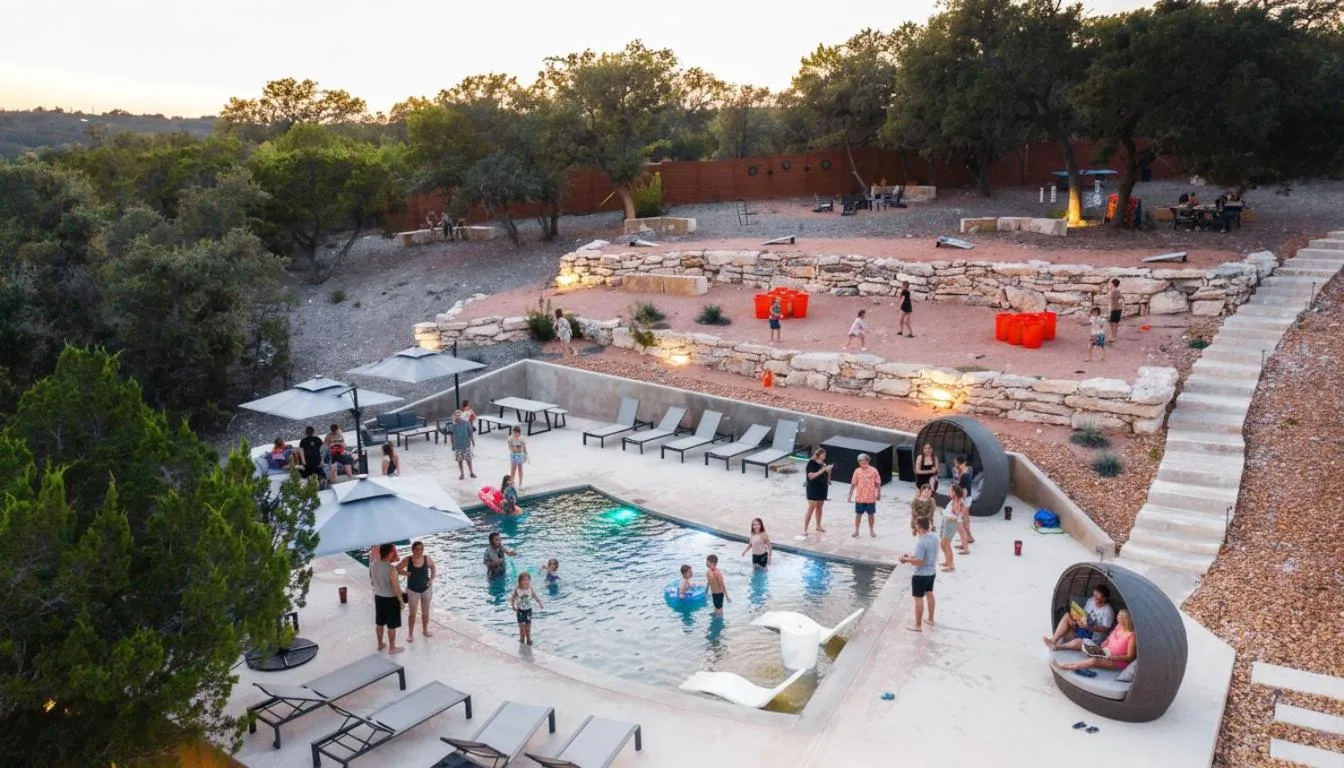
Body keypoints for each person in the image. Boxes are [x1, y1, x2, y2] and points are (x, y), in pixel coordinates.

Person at [1054, 610, 1136, 672]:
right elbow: (1111, 636)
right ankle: (1058, 646)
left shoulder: (1132, 636)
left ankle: (1064, 667)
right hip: (1105, 652)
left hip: (1116, 661)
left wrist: (1112, 657)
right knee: (1080, 641)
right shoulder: (1119, 626)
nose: (1118, 621)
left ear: (1126, 621)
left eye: (1120, 619)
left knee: (1093, 661)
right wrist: (1105, 643)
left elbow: (1129, 657)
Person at [1043, 585, 1117, 650]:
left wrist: (1090, 627)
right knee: (1067, 616)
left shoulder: (1108, 611)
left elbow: (1106, 629)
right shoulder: (1091, 600)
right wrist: (1077, 620)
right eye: (1094, 595)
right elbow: (1083, 614)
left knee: (1076, 640)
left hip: (1092, 637)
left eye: (1097, 597)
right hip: (1082, 629)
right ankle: (1052, 641)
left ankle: (1058, 647)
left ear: (1104, 599)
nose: (1094, 599)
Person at [899, 517, 939, 631]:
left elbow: (919, 562)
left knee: (918, 599)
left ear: (919, 527)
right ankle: (931, 619)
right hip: (932, 572)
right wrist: (912, 557)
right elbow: (925, 555)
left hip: (921, 574)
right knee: (930, 593)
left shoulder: (921, 542)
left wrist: (905, 559)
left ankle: (917, 625)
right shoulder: (934, 537)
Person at [370, 543, 406, 654]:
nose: (395, 553)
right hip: (390, 600)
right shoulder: (391, 569)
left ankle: (380, 644)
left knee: (379, 623)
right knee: (391, 625)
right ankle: (392, 648)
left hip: (378, 597)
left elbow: (372, 579)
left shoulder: (373, 563)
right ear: (390, 553)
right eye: (394, 552)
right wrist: (401, 601)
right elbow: (395, 587)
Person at [398, 541, 436, 641]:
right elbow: (397, 569)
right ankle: (410, 634)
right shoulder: (408, 560)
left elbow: (433, 567)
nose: (419, 551)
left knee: (426, 612)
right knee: (412, 614)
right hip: (412, 591)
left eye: (421, 549)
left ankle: (425, 630)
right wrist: (406, 573)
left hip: (426, 589)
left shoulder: (427, 558)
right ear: (413, 550)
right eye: (417, 550)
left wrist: (431, 579)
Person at [847, 453, 882, 538]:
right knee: (858, 514)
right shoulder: (857, 471)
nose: (863, 462)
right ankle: (856, 530)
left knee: (871, 514)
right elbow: (853, 483)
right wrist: (850, 495)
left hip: (870, 497)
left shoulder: (874, 470)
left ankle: (871, 530)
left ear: (868, 461)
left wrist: (879, 494)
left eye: (865, 461)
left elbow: (878, 483)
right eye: (861, 461)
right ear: (859, 462)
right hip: (860, 497)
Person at [804, 448, 833, 535]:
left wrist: (829, 471)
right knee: (811, 508)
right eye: (823, 455)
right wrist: (823, 470)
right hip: (813, 488)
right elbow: (811, 476)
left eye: (825, 455)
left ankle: (818, 526)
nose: (824, 456)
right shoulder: (811, 463)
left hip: (822, 487)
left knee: (820, 507)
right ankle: (805, 529)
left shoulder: (823, 464)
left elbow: (828, 479)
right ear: (818, 455)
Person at [509, 572, 543, 646]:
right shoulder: (517, 588)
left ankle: (528, 639)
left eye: (528, 580)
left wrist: (539, 602)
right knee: (521, 628)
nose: (526, 582)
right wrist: (512, 605)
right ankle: (521, 639)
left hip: (528, 611)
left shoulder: (530, 588)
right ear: (520, 581)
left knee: (528, 627)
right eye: (524, 580)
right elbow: (513, 597)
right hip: (520, 611)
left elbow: (534, 595)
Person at [449, 410, 476, 480]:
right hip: (458, 445)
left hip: (466, 444)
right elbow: (451, 436)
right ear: (454, 416)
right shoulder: (453, 426)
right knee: (460, 461)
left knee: (468, 460)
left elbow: (470, 432)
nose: (458, 417)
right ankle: (462, 474)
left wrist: (472, 440)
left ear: (461, 415)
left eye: (459, 415)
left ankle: (471, 472)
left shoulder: (466, 423)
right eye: (456, 415)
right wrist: (452, 444)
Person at [948, 484, 971, 555]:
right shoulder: (957, 500)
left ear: (954, 492)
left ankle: (966, 549)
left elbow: (957, 512)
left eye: (950, 491)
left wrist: (952, 509)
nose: (949, 493)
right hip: (958, 519)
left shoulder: (957, 501)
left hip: (958, 520)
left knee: (962, 533)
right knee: (962, 534)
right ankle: (963, 545)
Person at [1107, 278, 1123, 343]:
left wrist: (1110, 290)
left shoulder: (1114, 291)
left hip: (1115, 309)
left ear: (1113, 284)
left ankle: (1113, 337)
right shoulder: (1116, 291)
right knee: (1114, 323)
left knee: (1113, 323)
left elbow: (1113, 297)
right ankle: (1113, 335)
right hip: (1117, 308)